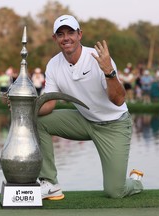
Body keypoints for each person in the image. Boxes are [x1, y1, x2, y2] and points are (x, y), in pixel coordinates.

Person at [37, 15, 143, 200]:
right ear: (55, 39)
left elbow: (118, 100)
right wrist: (22, 108)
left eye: (71, 32)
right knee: (37, 120)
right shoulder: (54, 64)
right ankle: (50, 184)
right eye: (60, 34)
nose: (66, 38)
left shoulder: (99, 59)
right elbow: (49, 103)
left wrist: (109, 72)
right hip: (85, 121)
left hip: (114, 125)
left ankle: (135, 180)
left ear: (80, 34)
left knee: (115, 191)